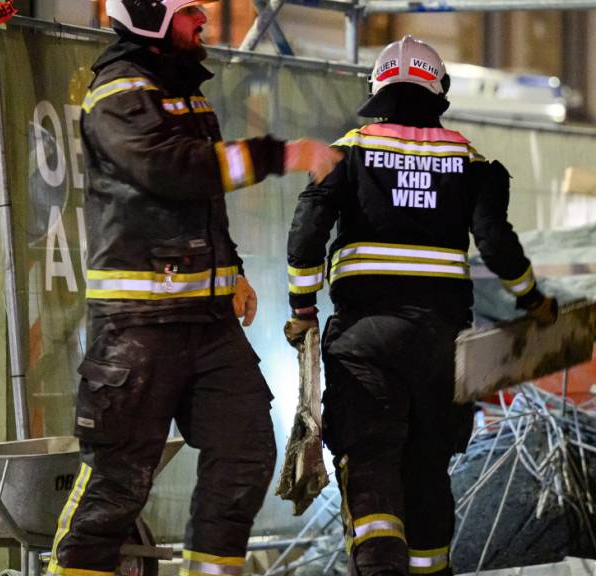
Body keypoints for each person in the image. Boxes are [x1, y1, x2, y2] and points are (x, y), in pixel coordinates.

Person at [45, 2, 340, 575]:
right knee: (118, 485)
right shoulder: (119, 92)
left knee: (246, 452)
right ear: (150, 13)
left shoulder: (182, 91)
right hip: (138, 325)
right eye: (189, 11)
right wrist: (281, 154)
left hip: (207, 323)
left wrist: (231, 269)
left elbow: (201, 198)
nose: (203, 18)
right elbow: (173, 169)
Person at [283, 35, 556, 576]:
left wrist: (302, 307)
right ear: (439, 90)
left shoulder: (348, 151)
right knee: (428, 468)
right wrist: (534, 301)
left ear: (376, 89)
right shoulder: (470, 160)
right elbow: (495, 242)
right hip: (441, 347)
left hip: (365, 339)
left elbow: (307, 233)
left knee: (371, 461)